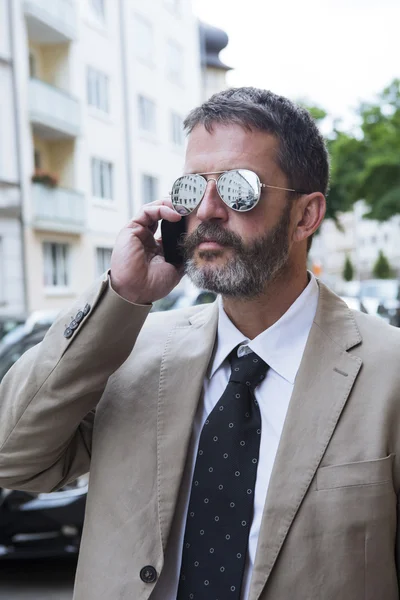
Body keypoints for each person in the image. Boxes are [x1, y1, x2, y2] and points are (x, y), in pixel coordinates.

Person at [0, 87, 399, 600]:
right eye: (191, 188)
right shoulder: (131, 349)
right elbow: (12, 456)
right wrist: (119, 297)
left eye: (238, 188)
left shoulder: (386, 371)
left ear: (306, 215)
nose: (208, 210)